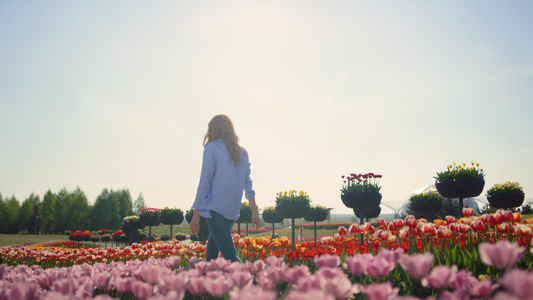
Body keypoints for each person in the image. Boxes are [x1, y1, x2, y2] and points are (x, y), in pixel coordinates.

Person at [190, 114, 260, 263]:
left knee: (230, 255)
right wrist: (254, 211)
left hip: (215, 211)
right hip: (232, 213)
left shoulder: (211, 148)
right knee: (212, 256)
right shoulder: (242, 152)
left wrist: (196, 214)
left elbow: (204, 183)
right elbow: (248, 184)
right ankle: (209, 283)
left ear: (213, 130)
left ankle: (254, 285)